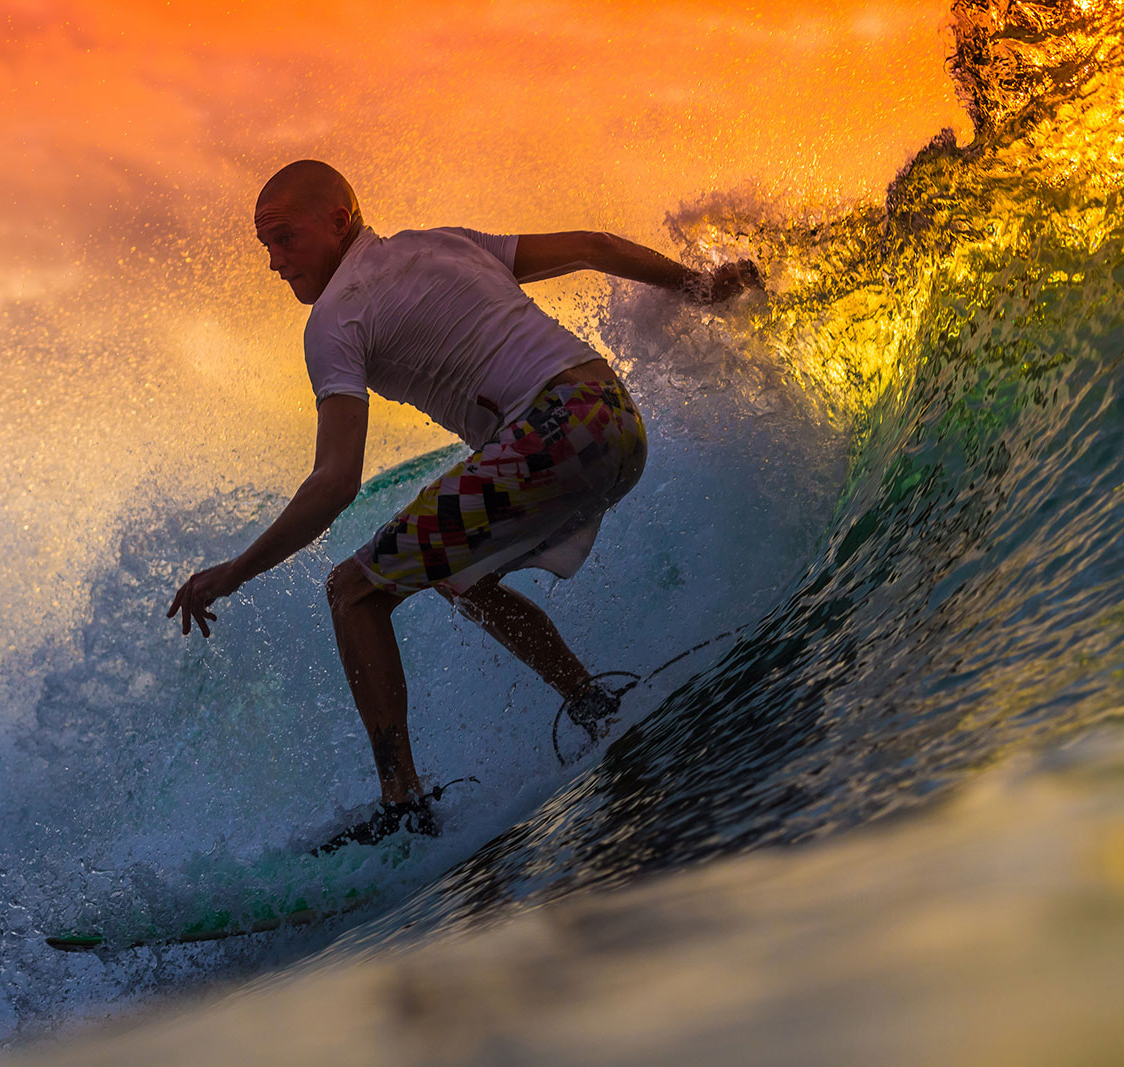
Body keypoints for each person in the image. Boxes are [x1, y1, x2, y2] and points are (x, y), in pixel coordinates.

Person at [167, 160, 760, 846]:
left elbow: (334, 483)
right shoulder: (444, 243)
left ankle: (403, 805)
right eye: (264, 245)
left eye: (285, 238)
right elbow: (592, 246)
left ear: (339, 220)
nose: (274, 262)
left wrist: (234, 571)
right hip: (616, 420)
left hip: (553, 431)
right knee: (458, 573)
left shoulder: (335, 319)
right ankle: (592, 703)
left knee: (353, 593)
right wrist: (703, 288)